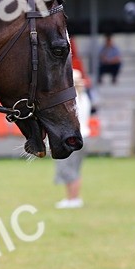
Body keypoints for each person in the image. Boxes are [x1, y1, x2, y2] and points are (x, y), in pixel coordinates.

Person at [55, 70, 92, 209]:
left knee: (69, 169)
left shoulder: (74, 99)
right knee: (74, 169)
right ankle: (72, 198)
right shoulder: (84, 97)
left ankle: (73, 199)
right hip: (83, 136)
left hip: (73, 137)